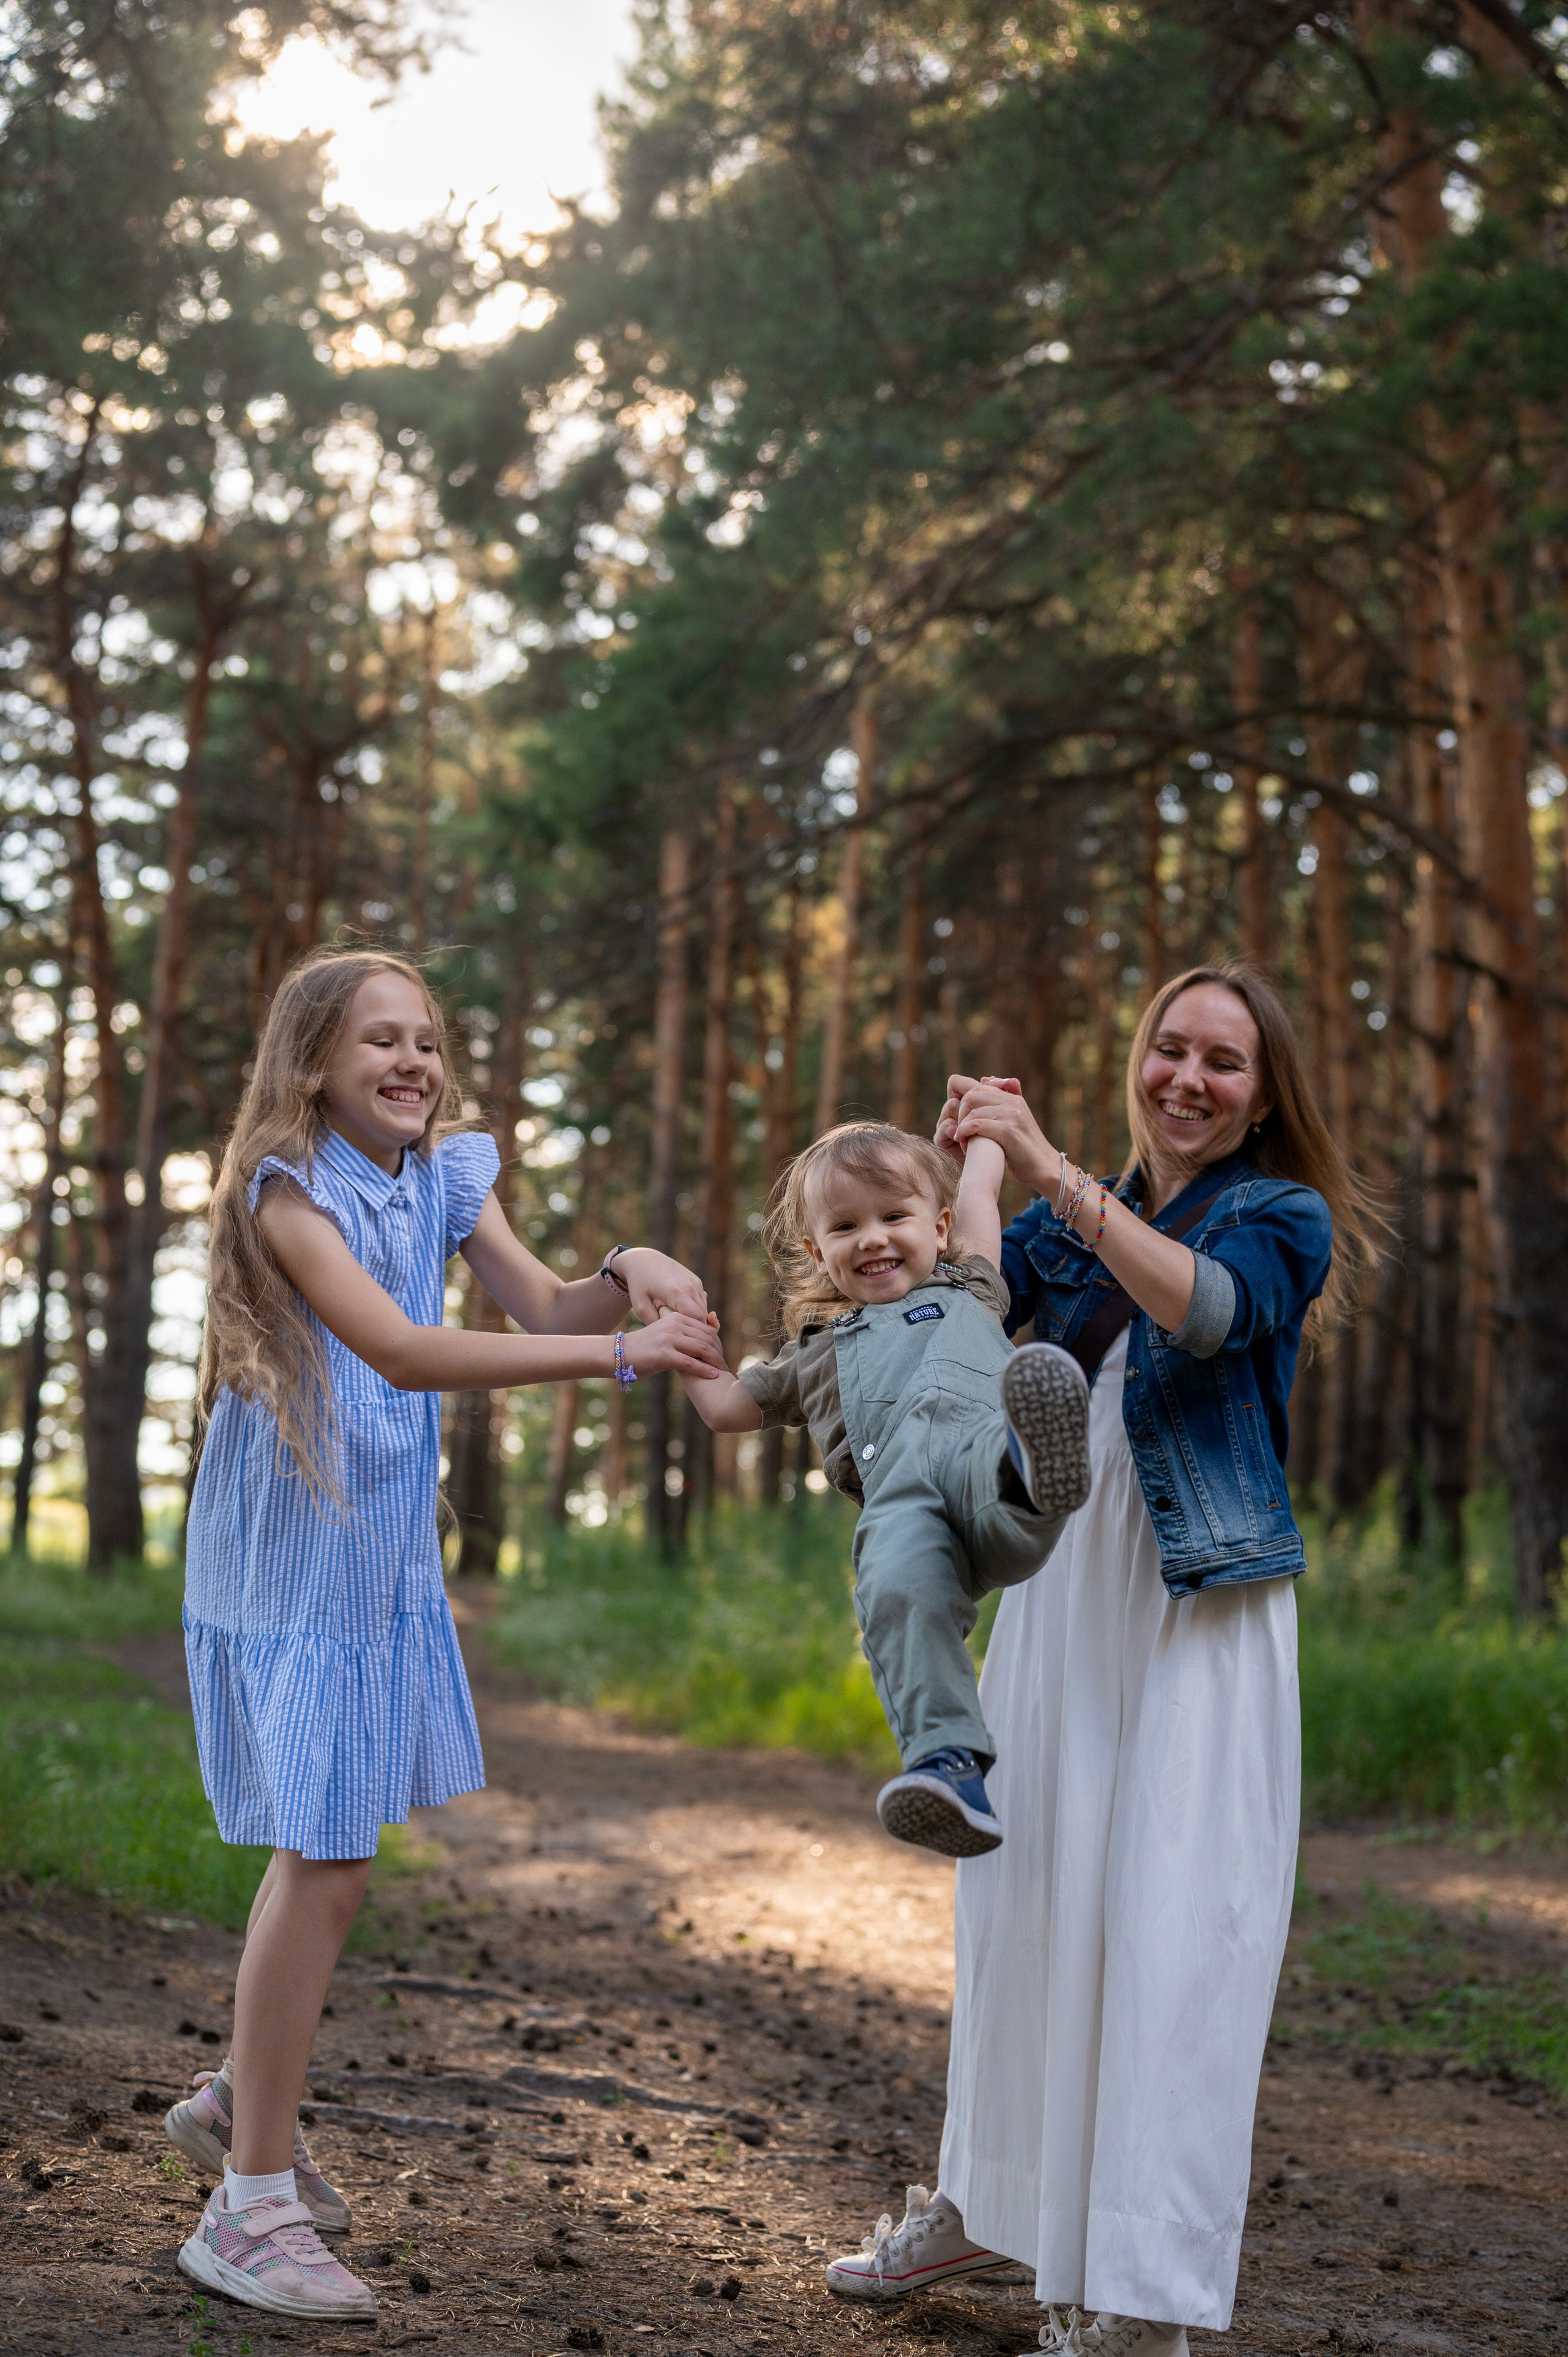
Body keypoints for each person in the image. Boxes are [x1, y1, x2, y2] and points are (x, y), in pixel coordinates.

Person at [824, 962, 1378, 2357]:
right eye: (1168, 1048)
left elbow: (1202, 1311)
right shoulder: (1065, 1220)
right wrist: (967, 1166)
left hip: (1198, 1594)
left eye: (1223, 1062)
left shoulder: (1279, 1213)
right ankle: (989, 2195)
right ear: (1138, 1057)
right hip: (1062, 1567)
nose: (1188, 1078)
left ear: (1263, 1096)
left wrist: (1049, 1169)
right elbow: (967, 1293)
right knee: (1023, 1901)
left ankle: (1138, 2293)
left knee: (1174, 1926)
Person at [165, 947, 725, 2323]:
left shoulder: (444, 1175)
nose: (413, 1060)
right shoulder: (290, 1191)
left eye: (426, 1037)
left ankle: (243, 2099)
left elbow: (544, 1303)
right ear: (313, 1066)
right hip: (293, 1547)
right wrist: (623, 1355)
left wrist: (627, 1272)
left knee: (326, 1844)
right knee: (330, 1853)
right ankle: (247, 2208)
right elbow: (404, 1351)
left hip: (372, 1551)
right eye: (381, 1040)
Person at [680, 1118, 1091, 1857]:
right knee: (892, 1587)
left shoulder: (970, 1283)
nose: (872, 1238)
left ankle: (1032, 1465)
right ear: (817, 1252)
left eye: (893, 1216)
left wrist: (986, 1124)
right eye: (845, 1226)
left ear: (939, 1228)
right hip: (905, 1505)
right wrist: (678, 1337)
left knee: (992, 1469)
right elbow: (723, 1407)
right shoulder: (811, 1355)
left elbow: (981, 1191)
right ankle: (949, 1767)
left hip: (977, 1460)